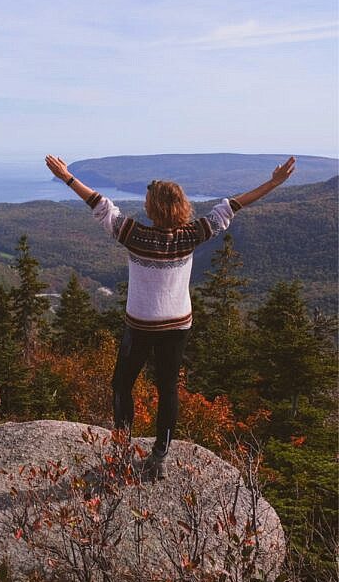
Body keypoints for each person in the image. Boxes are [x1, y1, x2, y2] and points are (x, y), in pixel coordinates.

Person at [44, 155, 296, 479]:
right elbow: (231, 206)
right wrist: (273, 184)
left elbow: (100, 204)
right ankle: (159, 457)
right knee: (167, 389)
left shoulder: (135, 235)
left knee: (122, 384)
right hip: (178, 325)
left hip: (140, 325)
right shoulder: (190, 235)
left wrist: (67, 177)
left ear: (154, 208)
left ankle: (122, 451)